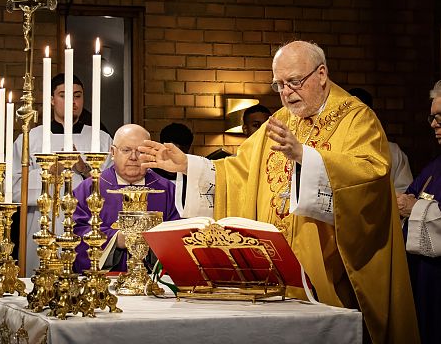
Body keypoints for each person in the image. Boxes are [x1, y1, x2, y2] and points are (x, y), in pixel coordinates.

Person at [139, 40, 419, 344]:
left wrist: (307, 159)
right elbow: (240, 172)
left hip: (330, 271)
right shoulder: (281, 121)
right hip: (275, 272)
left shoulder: (357, 119)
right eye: (280, 84)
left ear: (322, 73)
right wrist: (189, 166)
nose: (286, 92)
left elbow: (371, 180)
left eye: (294, 82)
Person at [12, 73, 113, 275]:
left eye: (77, 96)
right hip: (42, 225)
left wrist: (84, 169)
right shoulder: (31, 138)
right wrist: (45, 173)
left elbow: (111, 189)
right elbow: (13, 189)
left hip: (85, 226)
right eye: (63, 95)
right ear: (51, 99)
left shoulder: (100, 138)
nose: (72, 102)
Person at [72, 124, 180, 273]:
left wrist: (153, 242)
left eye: (140, 152)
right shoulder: (89, 189)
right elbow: (76, 232)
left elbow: (178, 235)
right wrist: (116, 239)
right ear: (113, 152)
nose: (134, 157)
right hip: (104, 284)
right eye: (126, 150)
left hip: (153, 284)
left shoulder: (167, 190)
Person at [396, 80, 441, 344]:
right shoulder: (435, 164)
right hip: (424, 277)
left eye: (440, 117)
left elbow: (413, 204)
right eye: (433, 117)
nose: (434, 124)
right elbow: (408, 196)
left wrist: (416, 207)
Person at [348, 87, 413, 193]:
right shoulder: (331, 148)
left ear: (371, 116)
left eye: (361, 114)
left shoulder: (392, 151)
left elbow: (404, 191)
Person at [152, 122, 193, 215]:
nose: (175, 158)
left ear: (188, 149)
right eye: (170, 152)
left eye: (181, 153)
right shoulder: (151, 175)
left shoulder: (193, 174)